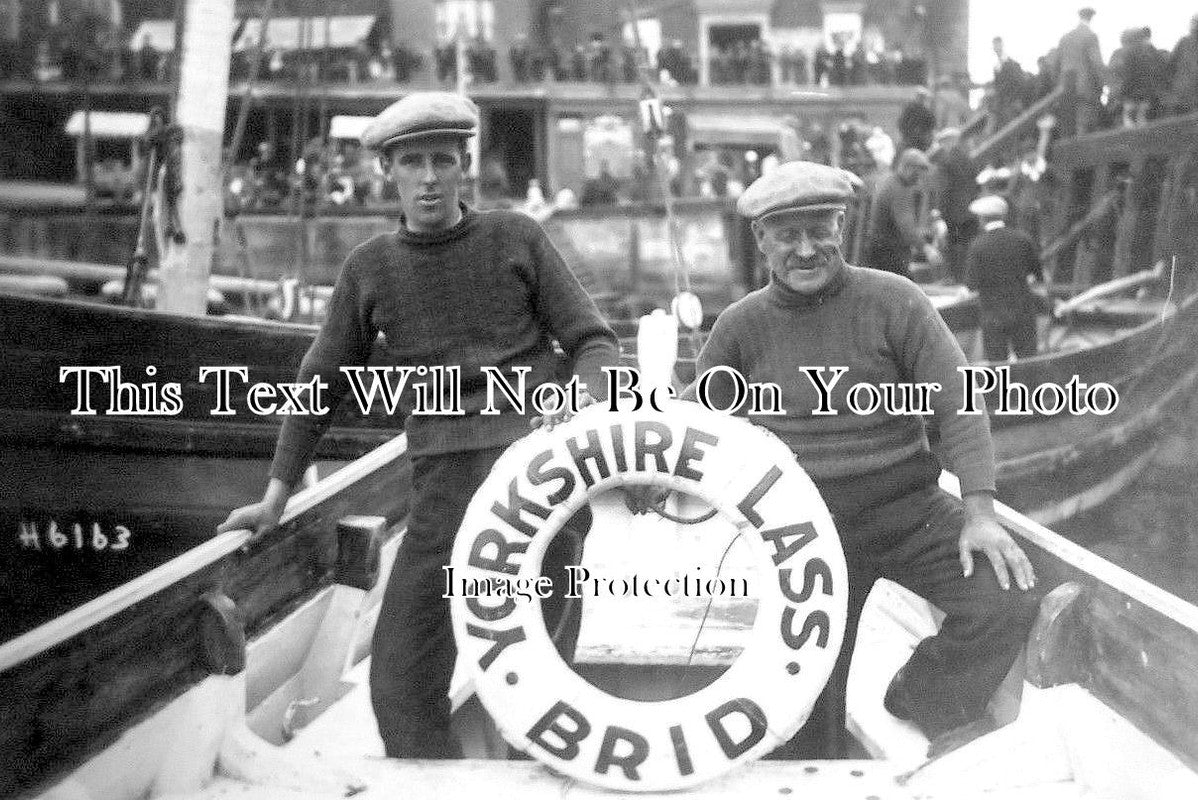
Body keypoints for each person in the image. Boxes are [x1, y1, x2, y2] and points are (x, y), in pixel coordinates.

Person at [218, 92, 619, 759]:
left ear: (464, 165)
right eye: (412, 163)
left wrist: (578, 402)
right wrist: (276, 493)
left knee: (541, 692)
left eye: (441, 160)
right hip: (442, 497)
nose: (428, 177)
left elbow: (595, 341)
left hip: (542, 487)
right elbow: (321, 379)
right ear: (390, 173)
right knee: (399, 684)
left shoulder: (516, 237)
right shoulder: (370, 267)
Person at [655, 160, 1039, 758]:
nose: (805, 250)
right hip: (797, 529)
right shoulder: (739, 327)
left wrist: (980, 512)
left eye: (820, 230)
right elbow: (702, 424)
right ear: (762, 242)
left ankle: (918, 701)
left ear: (842, 227)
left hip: (909, 510)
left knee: (1005, 598)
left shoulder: (896, 301)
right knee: (808, 700)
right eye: (787, 235)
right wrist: (637, 454)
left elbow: (959, 405)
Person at [965, 195, 1044, 361]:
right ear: (1003, 216)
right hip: (1023, 310)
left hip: (993, 314)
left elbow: (971, 285)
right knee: (1028, 361)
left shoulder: (978, 246)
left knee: (996, 364)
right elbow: (1038, 274)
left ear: (982, 219)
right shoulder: (1023, 239)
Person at [865, 148, 941, 277]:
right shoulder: (899, 190)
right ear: (907, 168)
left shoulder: (891, 182)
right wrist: (927, 248)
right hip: (888, 252)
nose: (920, 178)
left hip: (879, 248)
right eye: (918, 173)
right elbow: (906, 226)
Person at [1054, 7, 1105, 136]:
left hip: (1065, 90)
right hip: (1085, 91)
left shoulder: (1065, 38)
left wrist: (1059, 86)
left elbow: (1056, 66)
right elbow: (1097, 64)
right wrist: (1102, 86)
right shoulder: (1090, 36)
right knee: (1085, 129)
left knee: (1068, 129)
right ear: (1091, 18)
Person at [1167, 15, 1198, 116]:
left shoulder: (1183, 42)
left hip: (1182, 93)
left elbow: (1170, 65)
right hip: (1185, 92)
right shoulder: (1184, 42)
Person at [897, 87, 936, 153]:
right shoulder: (910, 109)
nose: (921, 99)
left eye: (922, 97)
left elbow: (931, 126)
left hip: (917, 141)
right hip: (912, 140)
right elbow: (901, 123)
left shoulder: (926, 112)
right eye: (920, 97)